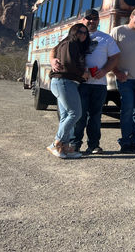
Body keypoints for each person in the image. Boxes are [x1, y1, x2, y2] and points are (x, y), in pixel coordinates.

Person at [53, 9, 120, 155]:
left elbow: (115, 57)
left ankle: (94, 145)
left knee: (95, 116)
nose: (92, 21)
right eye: (88, 18)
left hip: (99, 84)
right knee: (78, 115)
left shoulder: (106, 38)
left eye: (95, 18)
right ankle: (74, 145)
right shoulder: (73, 35)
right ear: (83, 20)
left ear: (98, 20)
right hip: (79, 83)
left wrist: (105, 70)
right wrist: (52, 60)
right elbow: (55, 49)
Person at [46, 23, 90, 159]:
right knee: (75, 113)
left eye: (85, 33)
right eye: (80, 32)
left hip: (67, 83)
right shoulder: (69, 43)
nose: (82, 35)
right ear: (73, 32)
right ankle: (56, 143)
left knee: (66, 116)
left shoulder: (72, 44)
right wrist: (83, 73)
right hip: (64, 81)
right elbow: (68, 63)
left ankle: (63, 147)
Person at [110, 8, 135, 153]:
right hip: (124, 79)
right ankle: (125, 141)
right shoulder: (118, 31)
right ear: (131, 16)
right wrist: (116, 72)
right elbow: (110, 54)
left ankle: (134, 141)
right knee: (127, 110)